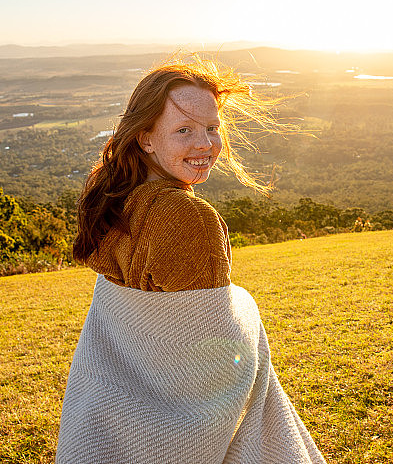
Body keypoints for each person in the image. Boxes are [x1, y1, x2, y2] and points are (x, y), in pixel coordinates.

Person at [56, 57, 326, 464]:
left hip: (116, 428)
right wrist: (246, 310)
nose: (206, 144)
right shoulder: (188, 218)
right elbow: (212, 365)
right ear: (146, 138)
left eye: (212, 128)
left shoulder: (117, 204)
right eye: (184, 130)